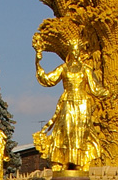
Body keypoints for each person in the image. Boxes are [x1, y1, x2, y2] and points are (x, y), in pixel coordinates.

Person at [33, 37, 109, 171]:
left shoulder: (86, 69)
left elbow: (95, 88)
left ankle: (80, 162)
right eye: (72, 50)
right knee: (67, 130)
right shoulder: (63, 68)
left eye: (77, 50)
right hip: (68, 101)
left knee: (81, 131)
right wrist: (38, 61)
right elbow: (48, 79)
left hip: (82, 103)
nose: (75, 52)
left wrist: (109, 93)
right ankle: (66, 160)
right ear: (70, 51)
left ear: (80, 51)